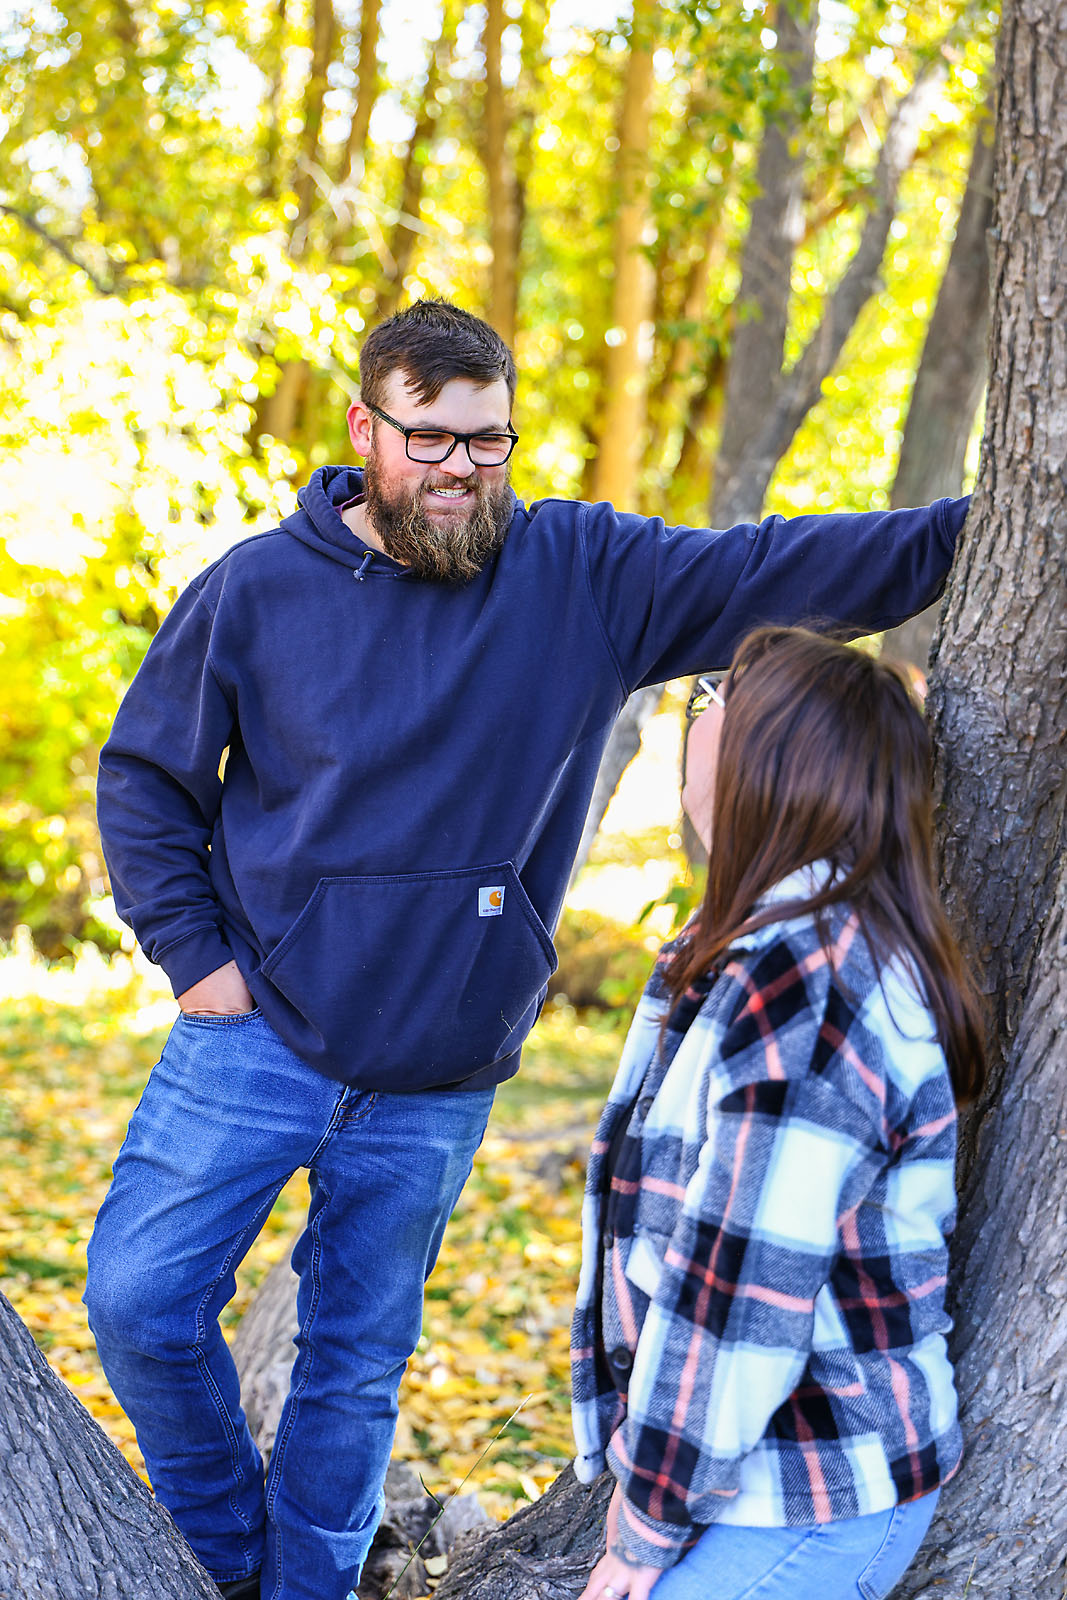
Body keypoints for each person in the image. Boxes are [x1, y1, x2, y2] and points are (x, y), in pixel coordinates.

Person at [87, 299, 970, 1600]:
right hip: (257, 1033)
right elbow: (145, 777)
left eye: (486, 443)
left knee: (353, 1360)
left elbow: (776, 566)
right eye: (429, 440)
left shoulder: (576, 578)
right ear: (364, 429)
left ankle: (304, 1591)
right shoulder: (255, 593)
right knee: (134, 1299)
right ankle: (225, 1556)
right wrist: (197, 961)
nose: (459, 470)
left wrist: (984, 527)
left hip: (436, 1075)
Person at [571, 627, 986, 1600]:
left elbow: (739, 1291)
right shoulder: (752, 950)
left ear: (781, 756)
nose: (697, 710)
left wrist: (640, 1525)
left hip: (810, 1491)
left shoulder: (807, 982)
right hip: (751, 1473)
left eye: (718, 697)